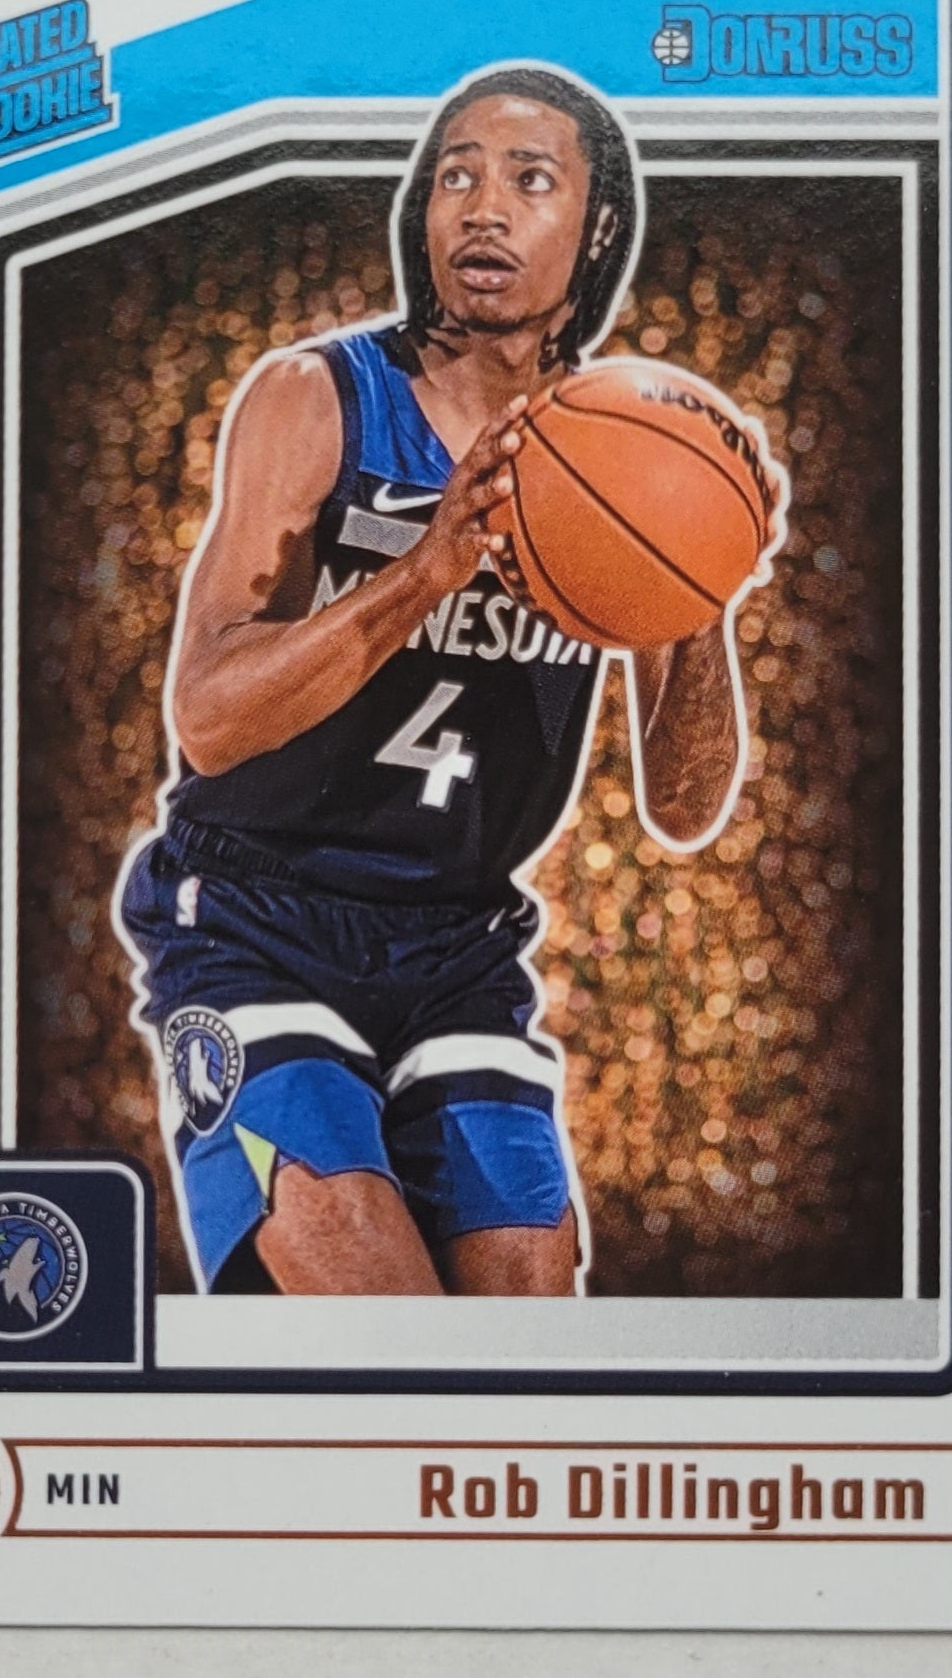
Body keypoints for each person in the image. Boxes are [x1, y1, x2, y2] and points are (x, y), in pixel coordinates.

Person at [117, 63, 781, 1296]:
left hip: (459, 943)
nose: (483, 208)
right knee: (371, 1288)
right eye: (456, 177)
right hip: (255, 920)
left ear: (598, 228)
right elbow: (206, 720)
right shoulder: (318, 398)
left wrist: (699, 585)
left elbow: (686, 808)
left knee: (524, 1304)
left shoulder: (628, 450)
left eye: (529, 180)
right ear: (420, 210)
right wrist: (425, 572)